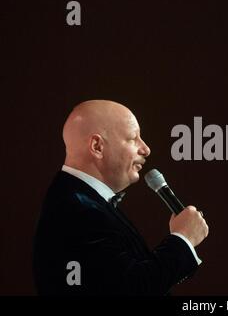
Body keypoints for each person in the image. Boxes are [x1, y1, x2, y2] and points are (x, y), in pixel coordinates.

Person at [32, 100, 209, 295]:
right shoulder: (78, 209)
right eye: (133, 138)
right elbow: (130, 289)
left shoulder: (80, 200)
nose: (146, 149)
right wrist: (182, 239)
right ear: (97, 146)